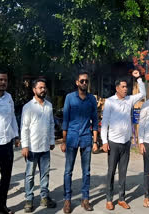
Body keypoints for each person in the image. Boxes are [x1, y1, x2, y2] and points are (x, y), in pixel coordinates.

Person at [101, 70, 145, 210]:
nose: (126, 89)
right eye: (123, 87)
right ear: (117, 88)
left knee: (123, 171)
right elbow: (105, 122)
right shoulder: (110, 102)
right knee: (111, 171)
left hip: (126, 142)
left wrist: (139, 79)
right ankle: (109, 199)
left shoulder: (129, 100)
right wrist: (104, 141)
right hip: (113, 142)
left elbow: (143, 94)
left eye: (127, 87)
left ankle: (121, 198)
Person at [60, 70, 98, 213]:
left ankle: (85, 199)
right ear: (77, 82)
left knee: (86, 171)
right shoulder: (70, 98)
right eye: (81, 81)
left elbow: (95, 120)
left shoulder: (92, 99)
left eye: (86, 81)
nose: (84, 83)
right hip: (71, 138)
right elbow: (65, 120)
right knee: (68, 171)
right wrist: (63, 141)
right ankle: (67, 200)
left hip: (86, 138)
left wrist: (95, 142)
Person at [21, 79, 56, 212]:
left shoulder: (48, 105)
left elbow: (51, 123)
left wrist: (52, 140)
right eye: (40, 87)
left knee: (45, 174)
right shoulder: (28, 107)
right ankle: (29, 199)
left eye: (44, 87)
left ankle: (44, 197)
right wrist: (25, 146)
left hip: (45, 146)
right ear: (34, 90)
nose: (43, 90)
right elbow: (24, 128)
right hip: (32, 147)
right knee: (30, 175)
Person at [0, 68, 20, 214]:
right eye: (0, 80)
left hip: (6, 143)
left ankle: (2, 206)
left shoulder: (9, 97)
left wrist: (17, 136)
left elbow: (12, 117)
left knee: (6, 177)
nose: (3, 82)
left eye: (5, 80)